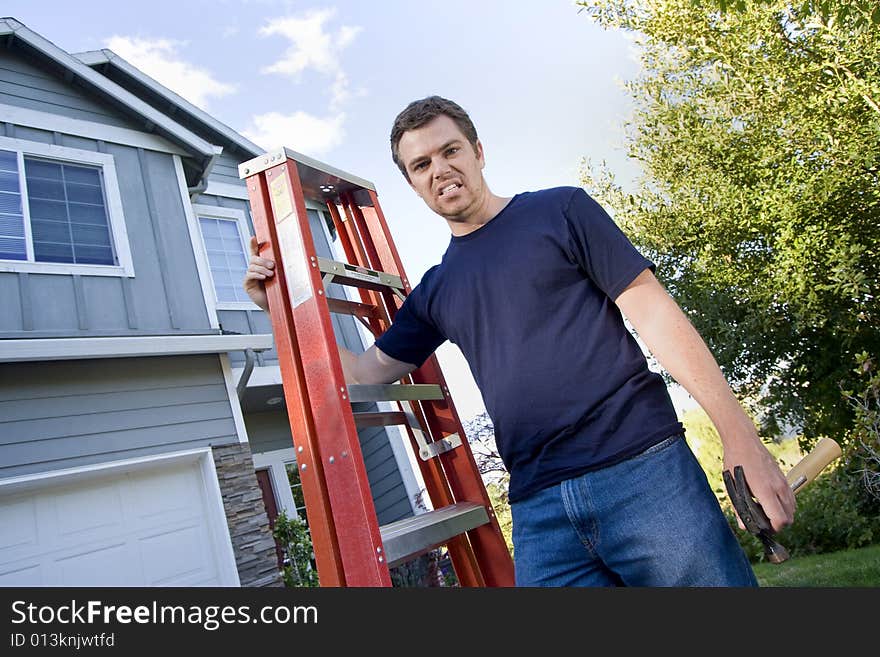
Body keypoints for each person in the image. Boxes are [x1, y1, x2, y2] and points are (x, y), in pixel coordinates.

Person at [244, 95, 795, 587]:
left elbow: (655, 313)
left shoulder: (561, 211)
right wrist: (276, 308)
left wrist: (738, 434)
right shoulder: (438, 289)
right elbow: (365, 373)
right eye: (422, 164)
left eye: (450, 150)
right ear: (412, 183)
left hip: (643, 472)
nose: (441, 169)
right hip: (540, 509)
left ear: (479, 151)